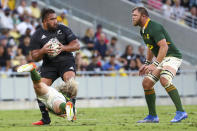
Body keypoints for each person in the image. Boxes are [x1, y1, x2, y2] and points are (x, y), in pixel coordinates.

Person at [131, 7, 187, 123]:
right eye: (132, 15)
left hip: (172, 56)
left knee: (164, 79)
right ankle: (152, 116)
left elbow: (164, 46)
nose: (132, 17)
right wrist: (147, 63)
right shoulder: (143, 29)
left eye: (135, 15)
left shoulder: (154, 27)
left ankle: (181, 112)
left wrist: (155, 64)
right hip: (163, 58)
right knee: (146, 83)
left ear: (144, 16)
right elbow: (151, 47)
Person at [29, 8, 80, 125]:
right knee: (40, 88)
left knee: (70, 81)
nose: (55, 21)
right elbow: (34, 56)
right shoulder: (37, 35)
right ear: (45, 21)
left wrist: (63, 47)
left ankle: (71, 111)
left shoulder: (64, 28)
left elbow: (76, 45)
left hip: (66, 61)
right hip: (49, 65)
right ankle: (45, 118)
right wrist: (43, 50)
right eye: (52, 19)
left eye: (56, 18)